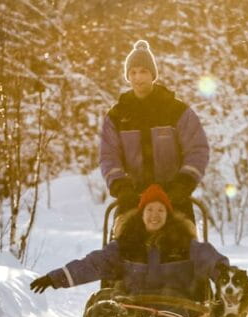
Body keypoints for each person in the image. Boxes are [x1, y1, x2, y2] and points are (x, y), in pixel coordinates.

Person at [30, 184, 228, 300]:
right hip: (132, 313)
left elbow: (211, 260)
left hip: (178, 315)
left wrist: (227, 278)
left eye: (161, 210)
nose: (155, 216)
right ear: (141, 214)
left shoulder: (185, 244)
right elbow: (93, 264)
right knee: (100, 310)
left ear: (168, 215)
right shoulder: (125, 245)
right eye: (150, 210)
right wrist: (54, 278)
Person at [100, 39, 210, 220]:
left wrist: (183, 183)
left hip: (174, 196)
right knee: (125, 244)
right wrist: (121, 186)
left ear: (153, 74)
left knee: (182, 244)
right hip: (132, 197)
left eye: (143, 71)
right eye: (133, 72)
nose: (138, 77)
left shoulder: (176, 110)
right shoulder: (117, 115)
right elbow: (108, 155)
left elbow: (197, 149)